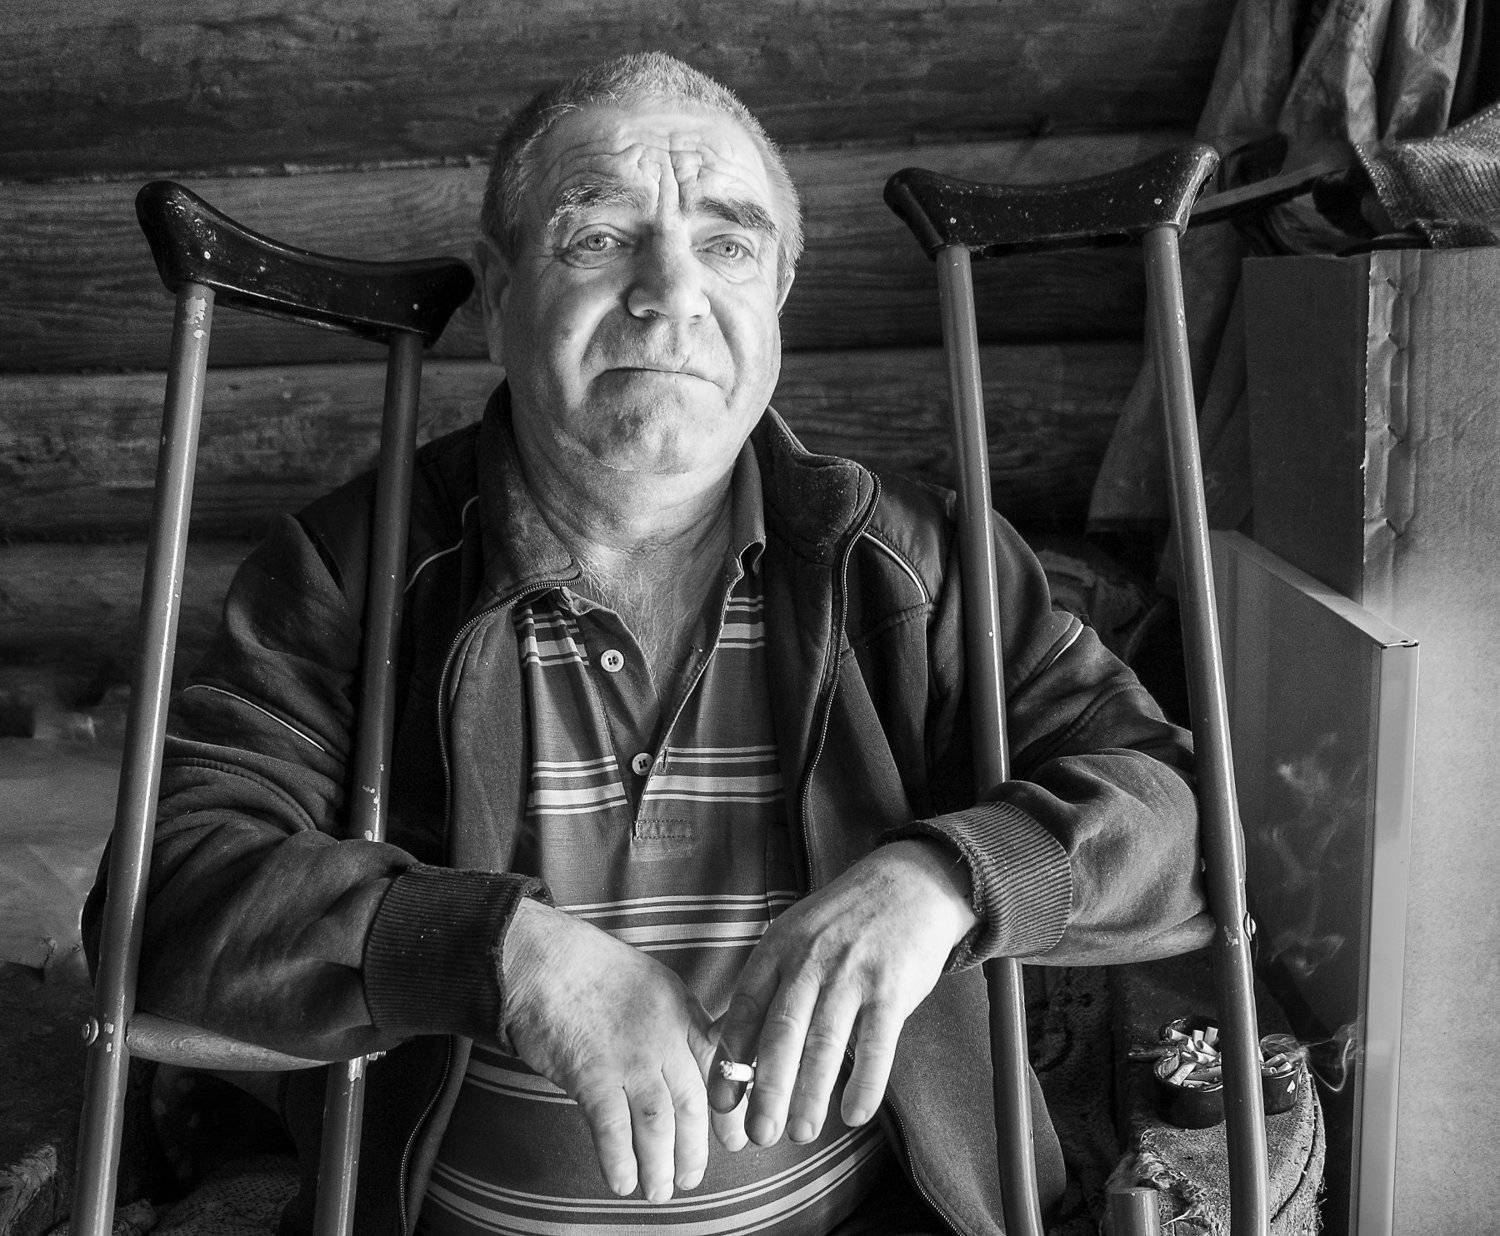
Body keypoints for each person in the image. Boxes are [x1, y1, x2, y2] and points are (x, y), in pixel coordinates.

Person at [89, 51, 1212, 1236]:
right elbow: (161, 890)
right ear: (500, 292)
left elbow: (1180, 820)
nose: (670, 292)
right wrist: (502, 954)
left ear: (777, 294)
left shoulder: (910, 564)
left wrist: (948, 882)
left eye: (728, 246)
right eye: (598, 238)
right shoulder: (356, 572)